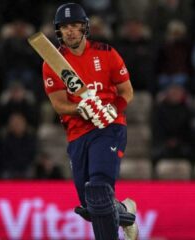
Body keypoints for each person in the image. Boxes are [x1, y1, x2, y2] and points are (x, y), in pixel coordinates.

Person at [41, 3, 138, 239]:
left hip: (109, 128)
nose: (71, 31)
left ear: (85, 28)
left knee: (98, 189)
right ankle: (125, 211)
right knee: (91, 205)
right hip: (77, 133)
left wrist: (112, 110)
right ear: (59, 31)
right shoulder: (52, 63)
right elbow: (58, 104)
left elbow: (127, 91)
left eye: (75, 26)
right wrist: (80, 108)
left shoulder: (106, 53)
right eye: (65, 27)